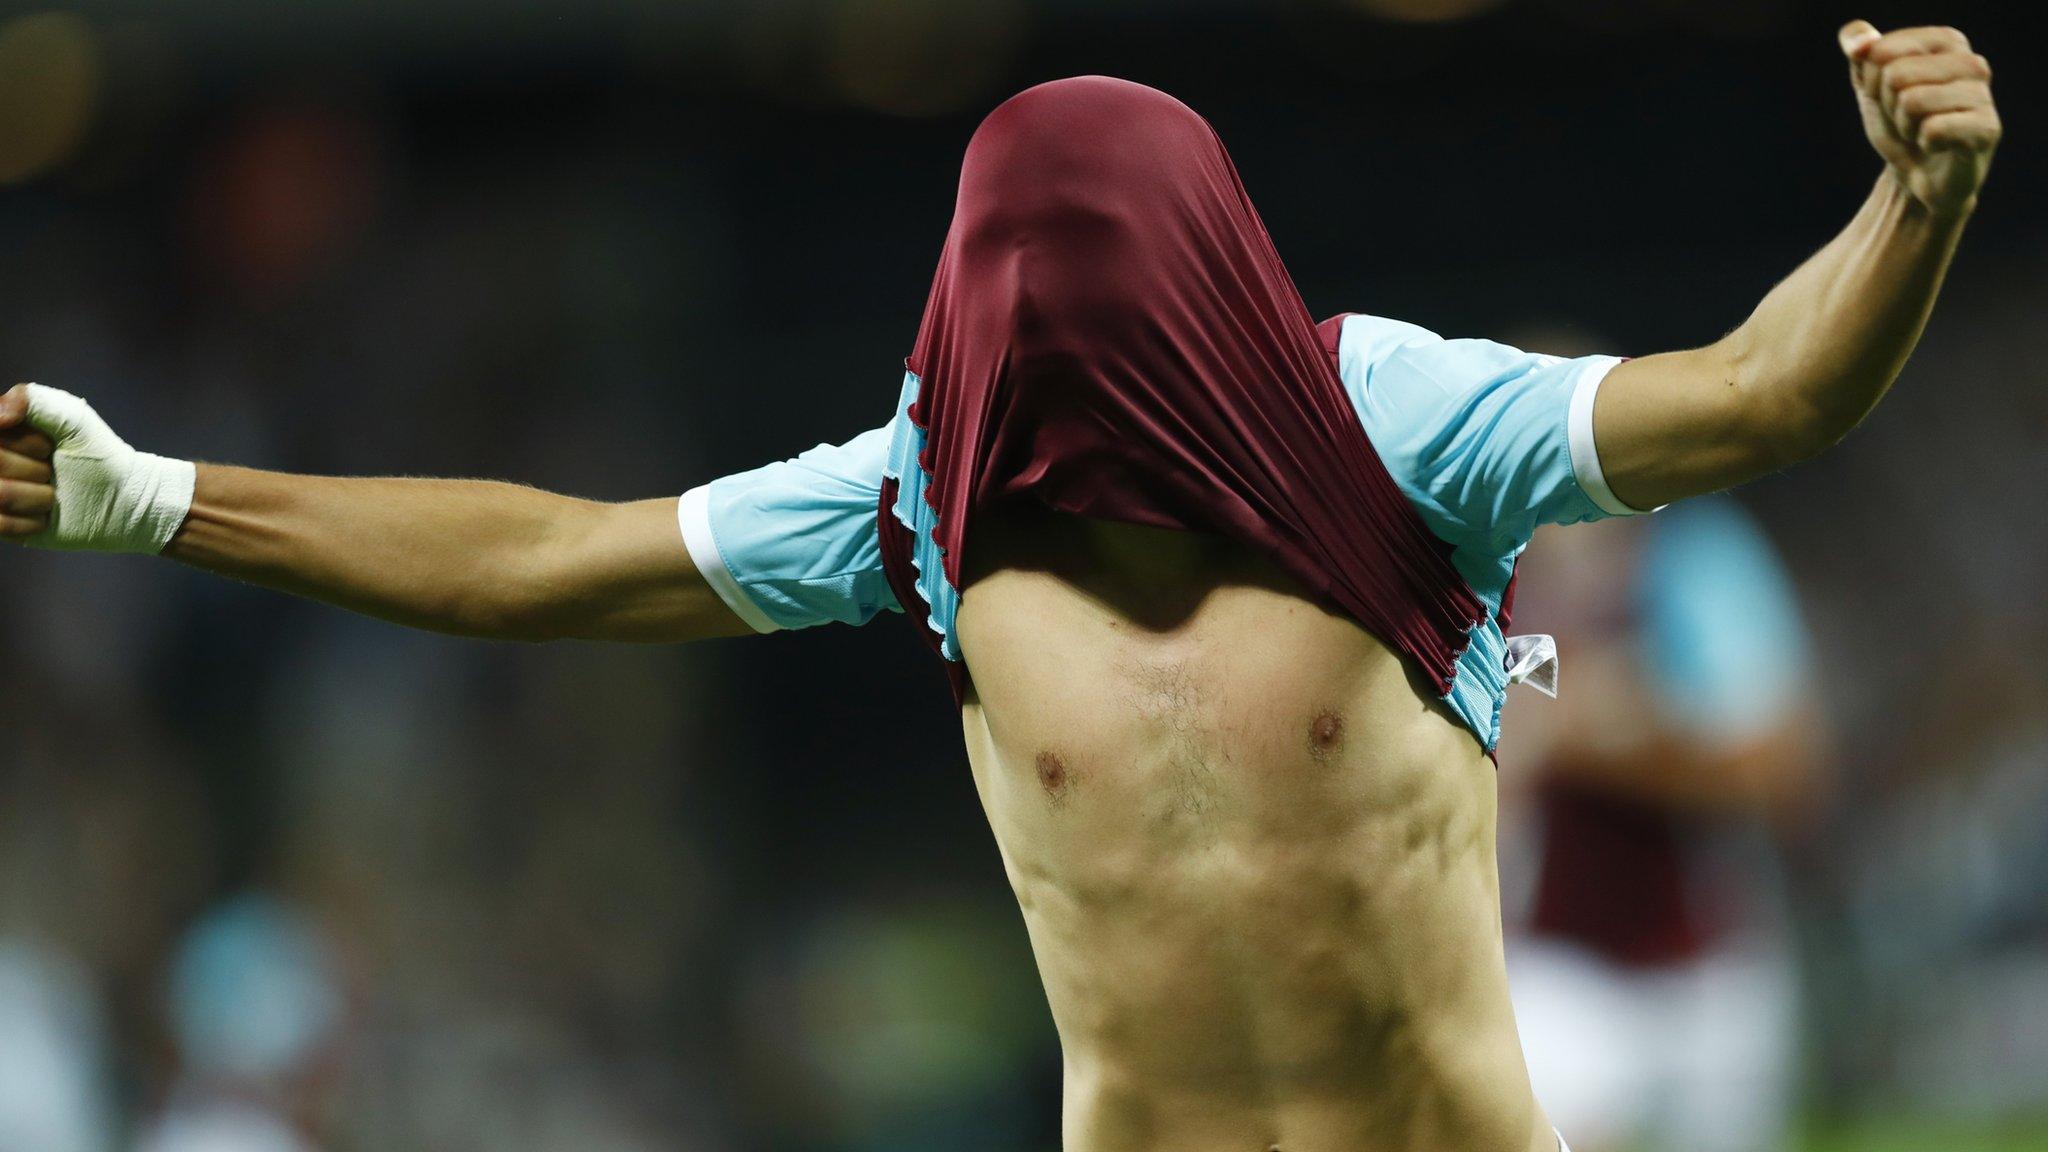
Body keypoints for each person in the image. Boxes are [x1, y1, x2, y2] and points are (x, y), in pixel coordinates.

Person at [0, 21, 2000, 1152]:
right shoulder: (926, 498)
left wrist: (1914, 206)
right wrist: (166, 495)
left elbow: (1757, 392)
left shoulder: (1390, 426)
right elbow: (543, 558)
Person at [1501, 503, 1827, 1152]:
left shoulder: (1695, 563)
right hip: (1559, 959)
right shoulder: (1499, 580)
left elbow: (1787, 769)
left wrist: (1615, 737)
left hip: (1708, 961)